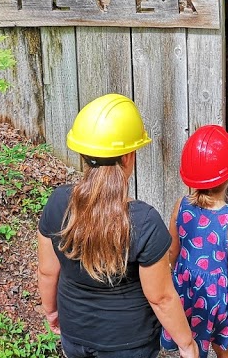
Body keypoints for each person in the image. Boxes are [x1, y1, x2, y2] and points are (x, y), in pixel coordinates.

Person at [37, 93, 200, 358]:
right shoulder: (144, 221)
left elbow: (47, 271)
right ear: (128, 157)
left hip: (74, 333)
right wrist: (186, 343)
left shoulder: (57, 203)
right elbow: (161, 298)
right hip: (129, 343)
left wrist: (51, 310)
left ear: (82, 153)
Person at [161, 125, 228, 358]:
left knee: (189, 345)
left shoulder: (181, 205)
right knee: (224, 348)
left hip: (186, 286)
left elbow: (172, 250)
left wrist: (177, 276)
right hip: (217, 296)